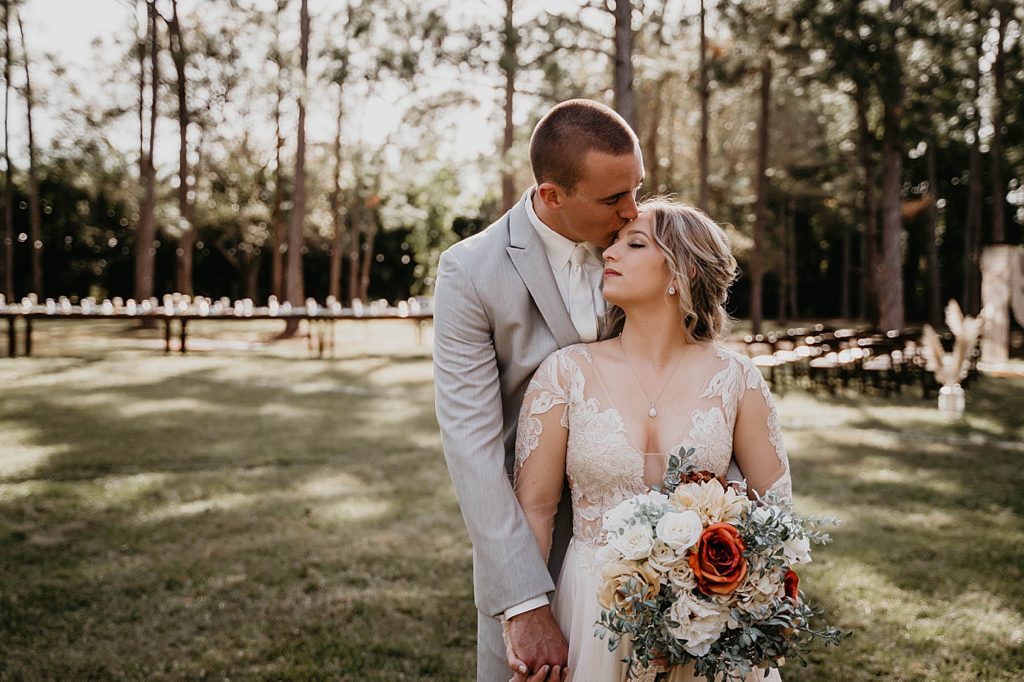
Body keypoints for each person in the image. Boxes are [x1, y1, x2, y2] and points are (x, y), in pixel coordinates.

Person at [513, 199, 792, 681]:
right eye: (614, 243)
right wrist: (527, 618)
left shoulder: (736, 379)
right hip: (592, 613)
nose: (610, 254)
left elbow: (777, 509)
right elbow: (535, 510)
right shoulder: (566, 373)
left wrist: (739, 605)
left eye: (634, 243)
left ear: (680, 273)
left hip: (707, 624)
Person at [432, 99, 645, 682]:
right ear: (552, 195)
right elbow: (472, 447)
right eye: (612, 199)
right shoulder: (470, 272)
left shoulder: (650, 247)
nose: (632, 213)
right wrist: (524, 602)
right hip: (529, 544)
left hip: (650, 540)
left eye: (637, 190)